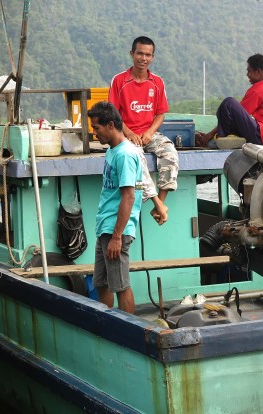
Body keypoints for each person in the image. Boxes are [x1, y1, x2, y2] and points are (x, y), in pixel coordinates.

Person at [109, 36, 178, 225]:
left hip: (150, 134)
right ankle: (157, 202)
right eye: (139, 53)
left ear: (153, 57)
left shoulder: (157, 82)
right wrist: (129, 133)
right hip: (127, 135)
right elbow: (113, 114)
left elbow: (160, 113)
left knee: (170, 153)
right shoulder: (119, 81)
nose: (143, 58)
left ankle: (160, 204)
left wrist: (149, 133)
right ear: (132, 54)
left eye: (148, 55)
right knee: (137, 160)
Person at [88, 101, 143, 314]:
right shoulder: (112, 150)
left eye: (97, 128)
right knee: (101, 282)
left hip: (116, 231)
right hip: (105, 228)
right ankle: (106, 323)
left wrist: (117, 236)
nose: (95, 133)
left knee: (120, 285)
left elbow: (129, 197)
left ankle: (130, 331)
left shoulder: (125, 154)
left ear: (111, 125)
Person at [196, 53, 263, 146]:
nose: (247, 75)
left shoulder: (259, 88)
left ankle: (220, 140)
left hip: (259, 136)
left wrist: (210, 134)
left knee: (228, 103)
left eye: (249, 71)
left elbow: (235, 114)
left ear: (258, 72)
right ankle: (222, 136)